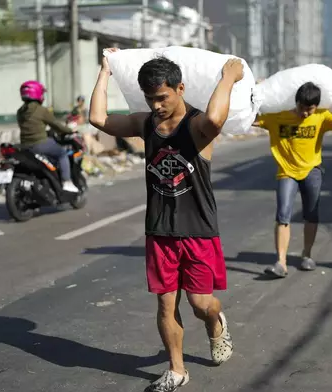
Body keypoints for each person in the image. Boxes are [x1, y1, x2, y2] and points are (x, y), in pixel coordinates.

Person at [88, 48, 243, 392]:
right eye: (149, 98)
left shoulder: (198, 126)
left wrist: (229, 78)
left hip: (198, 230)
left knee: (201, 304)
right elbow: (98, 119)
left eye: (161, 97)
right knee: (165, 303)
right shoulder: (147, 124)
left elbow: (218, 120)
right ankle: (177, 369)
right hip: (159, 230)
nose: (156, 105)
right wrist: (105, 72)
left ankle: (216, 322)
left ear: (180, 89)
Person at [255, 82, 332, 278]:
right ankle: (281, 262)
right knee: (283, 215)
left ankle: (307, 255)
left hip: (311, 171)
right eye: (302, 108)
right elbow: (250, 120)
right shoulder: (278, 117)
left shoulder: (321, 117)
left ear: (316, 107)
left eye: (310, 109)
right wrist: (254, 95)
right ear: (296, 102)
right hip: (287, 172)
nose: (305, 114)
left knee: (311, 214)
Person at [17, 80, 79, 193]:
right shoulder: (41, 110)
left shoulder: (20, 111)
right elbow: (56, 125)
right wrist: (70, 130)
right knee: (62, 154)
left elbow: (31, 126)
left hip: (24, 146)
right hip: (39, 144)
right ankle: (67, 181)